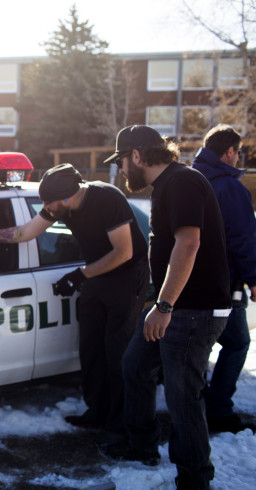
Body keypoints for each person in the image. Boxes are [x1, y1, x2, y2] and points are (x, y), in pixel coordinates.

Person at [0, 163, 149, 437]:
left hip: (126, 278)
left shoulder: (107, 198)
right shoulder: (59, 205)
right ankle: (97, 413)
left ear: (67, 196)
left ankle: (120, 424)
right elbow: (26, 232)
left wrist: (80, 275)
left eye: (49, 203)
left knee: (117, 352)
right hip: (95, 275)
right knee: (91, 348)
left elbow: (123, 252)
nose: (46, 208)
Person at [101, 125, 231, 490]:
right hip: (175, 309)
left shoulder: (183, 181)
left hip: (192, 312)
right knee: (135, 365)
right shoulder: (168, 185)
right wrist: (160, 302)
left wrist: (165, 303)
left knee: (182, 398)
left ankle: (194, 480)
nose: (121, 170)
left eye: (122, 162)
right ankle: (142, 445)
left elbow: (189, 244)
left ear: (138, 156)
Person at [192, 124, 256, 434]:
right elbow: (243, 239)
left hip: (187, 282)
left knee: (199, 345)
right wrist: (253, 278)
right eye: (238, 152)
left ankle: (194, 401)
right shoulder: (230, 189)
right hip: (224, 285)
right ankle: (217, 410)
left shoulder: (189, 181)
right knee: (237, 342)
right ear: (229, 152)